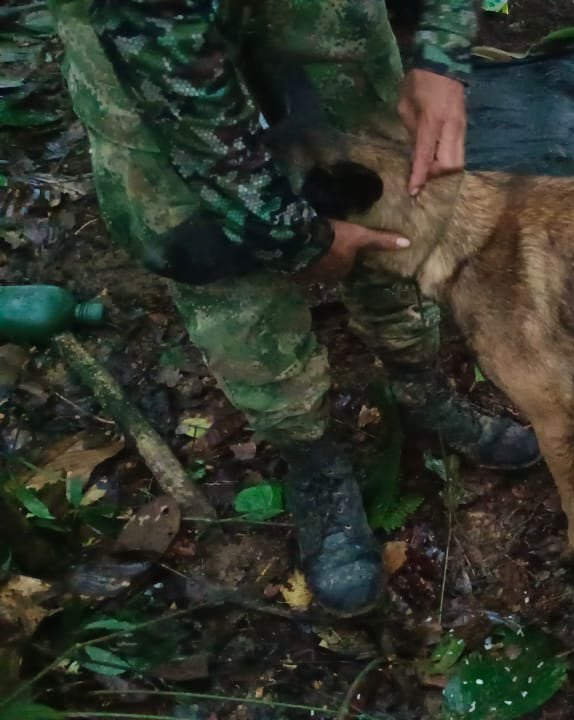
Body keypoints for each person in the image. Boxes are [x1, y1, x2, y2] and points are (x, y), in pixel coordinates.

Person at [46, 0, 541, 616]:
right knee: (214, 255)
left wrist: (442, 53)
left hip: (323, 25)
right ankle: (312, 457)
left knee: (398, 198)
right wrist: (297, 238)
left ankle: (421, 390)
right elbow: (183, 92)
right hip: (157, 71)